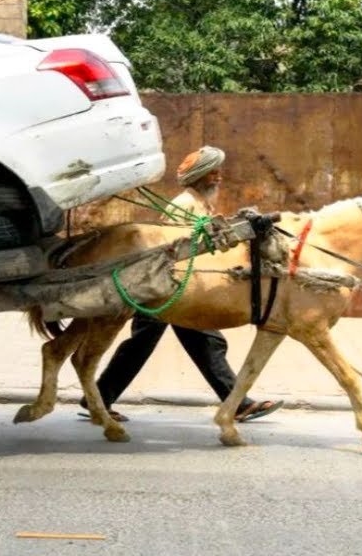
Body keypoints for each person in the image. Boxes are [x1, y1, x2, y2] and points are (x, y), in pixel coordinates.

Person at [81, 145, 284, 423]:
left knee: (175, 343)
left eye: (218, 171)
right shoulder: (184, 204)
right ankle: (237, 403)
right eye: (213, 172)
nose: (219, 176)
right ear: (200, 175)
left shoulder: (200, 201)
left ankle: (101, 397)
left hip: (178, 289)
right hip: (167, 288)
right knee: (193, 342)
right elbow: (174, 246)